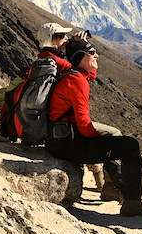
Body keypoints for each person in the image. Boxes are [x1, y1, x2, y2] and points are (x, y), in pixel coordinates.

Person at [45, 37, 142, 217]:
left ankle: (114, 188)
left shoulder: (72, 75)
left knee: (114, 144)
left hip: (60, 140)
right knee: (130, 147)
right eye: (91, 53)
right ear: (80, 57)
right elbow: (84, 125)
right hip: (68, 143)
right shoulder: (78, 81)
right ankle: (132, 202)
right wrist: (103, 140)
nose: (96, 55)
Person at [36, 23, 117, 198]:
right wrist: (78, 50)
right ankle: (108, 186)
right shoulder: (58, 62)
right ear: (53, 40)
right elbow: (88, 74)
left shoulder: (46, 58)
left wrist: (79, 49)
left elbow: (87, 73)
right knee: (109, 134)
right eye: (63, 37)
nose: (67, 39)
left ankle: (103, 183)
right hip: (65, 127)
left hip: (62, 121)